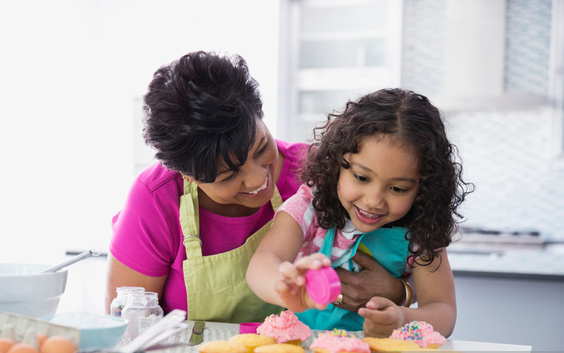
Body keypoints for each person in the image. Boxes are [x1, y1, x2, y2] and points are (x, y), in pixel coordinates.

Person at [105, 51, 407, 323]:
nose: (256, 180)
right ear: (187, 175)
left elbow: (404, 251)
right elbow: (124, 323)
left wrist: (399, 291)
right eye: (227, 176)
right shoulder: (155, 200)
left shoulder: (318, 173)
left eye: (261, 147)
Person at [247, 88, 473, 337]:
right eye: (361, 177)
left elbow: (443, 311)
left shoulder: (422, 231)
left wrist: (403, 317)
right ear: (337, 163)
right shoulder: (310, 205)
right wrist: (283, 285)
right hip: (302, 352)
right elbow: (263, 262)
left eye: (397, 188)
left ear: (424, 188)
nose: (374, 200)